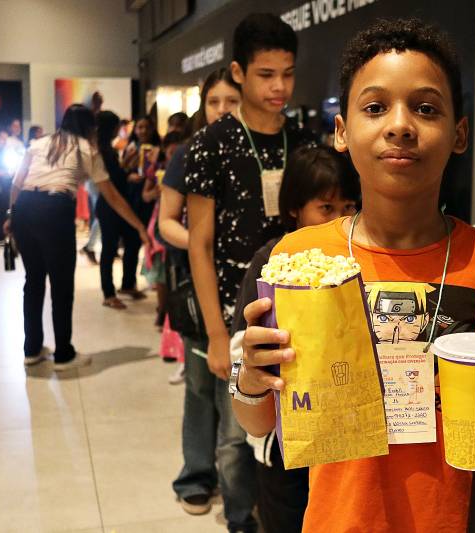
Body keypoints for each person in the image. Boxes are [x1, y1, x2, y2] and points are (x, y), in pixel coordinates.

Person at [232, 18, 475, 532]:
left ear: (459, 133)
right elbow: (258, 422)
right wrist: (250, 377)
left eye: (426, 108)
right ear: (342, 131)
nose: (400, 124)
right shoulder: (299, 258)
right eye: (375, 107)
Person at [230, 145, 360, 532]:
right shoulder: (270, 261)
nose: (339, 219)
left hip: (345, 442)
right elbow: (243, 349)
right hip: (283, 444)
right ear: (293, 209)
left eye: (348, 207)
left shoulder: (356, 263)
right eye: (325, 208)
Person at [186, 13, 316, 394]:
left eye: (288, 73)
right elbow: (200, 242)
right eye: (266, 74)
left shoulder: (305, 141)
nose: (280, 86)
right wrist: (215, 334)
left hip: (300, 307)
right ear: (239, 72)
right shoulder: (210, 144)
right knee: (233, 438)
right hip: (233, 310)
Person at [160, 68, 258, 527]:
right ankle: (195, 476)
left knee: (238, 396)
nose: (223, 109)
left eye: (231, 101)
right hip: (201, 293)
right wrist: (203, 243)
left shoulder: (251, 151)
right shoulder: (191, 152)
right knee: (201, 390)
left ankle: (237, 486)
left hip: (243, 291)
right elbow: (166, 221)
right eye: (215, 101)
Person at [6, 104, 149, 368]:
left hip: (25, 206)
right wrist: (139, 226)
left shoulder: (39, 143)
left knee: (33, 280)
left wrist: (10, 216)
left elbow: (17, 183)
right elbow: (112, 196)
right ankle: (63, 354)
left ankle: (32, 349)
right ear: (89, 127)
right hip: (54, 207)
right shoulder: (86, 148)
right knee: (61, 285)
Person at [95, 111, 149, 310]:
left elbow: (115, 176)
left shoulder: (108, 149)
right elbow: (110, 183)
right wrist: (126, 171)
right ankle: (108, 293)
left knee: (132, 241)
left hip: (118, 203)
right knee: (109, 249)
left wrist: (125, 167)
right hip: (110, 206)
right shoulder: (100, 151)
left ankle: (127, 284)